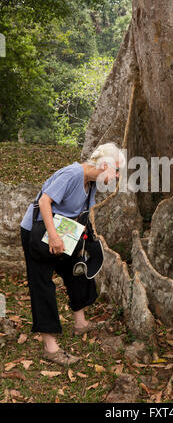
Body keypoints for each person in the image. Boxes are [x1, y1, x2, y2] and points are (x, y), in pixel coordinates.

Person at [20, 142, 125, 366]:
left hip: (65, 230)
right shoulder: (72, 174)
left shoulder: (92, 181)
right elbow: (44, 201)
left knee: (77, 271)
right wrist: (54, 236)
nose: (117, 175)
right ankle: (50, 346)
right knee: (42, 284)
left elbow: (79, 210)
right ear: (103, 164)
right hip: (39, 230)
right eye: (115, 169)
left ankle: (80, 323)